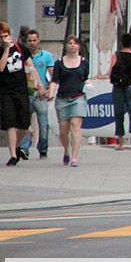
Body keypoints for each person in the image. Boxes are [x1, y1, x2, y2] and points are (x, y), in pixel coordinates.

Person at [0, 22, 45, 166]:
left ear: (10, 35)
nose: (4, 39)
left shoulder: (21, 49)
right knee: (10, 122)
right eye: (1, 37)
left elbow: (31, 66)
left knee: (25, 123)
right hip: (5, 91)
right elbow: (1, 68)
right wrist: (6, 49)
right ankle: (13, 154)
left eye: (6, 36)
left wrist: (39, 84)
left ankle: (17, 146)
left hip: (21, 90)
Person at [49, 35, 89, 167]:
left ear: (79, 46)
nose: (72, 45)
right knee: (63, 130)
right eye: (69, 43)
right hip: (62, 99)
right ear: (66, 46)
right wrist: (51, 93)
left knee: (75, 127)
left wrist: (89, 85)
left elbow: (85, 78)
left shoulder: (84, 62)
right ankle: (66, 150)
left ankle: (75, 157)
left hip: (78, 98)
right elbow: (55, 80)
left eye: (75, 43)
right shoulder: (59, 63)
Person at [19, 30, 54, 160]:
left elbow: (52, 74)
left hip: (40, 94)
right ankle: (24, 147)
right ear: (26, 42)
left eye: (34, 40)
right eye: (30, 41)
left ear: (38, 41)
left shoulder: (46, 56)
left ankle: (43, 148)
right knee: (24, 123)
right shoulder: (22, 56)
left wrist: (49, 89)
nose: (32, 43)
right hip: (26, 93)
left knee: (43, 124)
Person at [108, 33, 131, 151]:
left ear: (121, 43)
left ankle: (121, 143)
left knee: (119, 113)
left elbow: (110, 71)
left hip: (118, 86)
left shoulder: (116, 55)